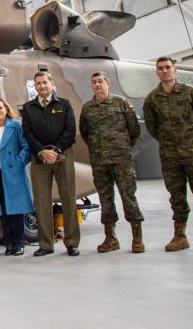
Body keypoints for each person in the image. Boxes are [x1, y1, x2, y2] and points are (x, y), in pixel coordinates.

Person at [142, 56, 193, 252]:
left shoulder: (190, 93)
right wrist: (169, 141)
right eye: (160, 68)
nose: (164, 71)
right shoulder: (152, 99)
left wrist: (191, 139)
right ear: (157, 72)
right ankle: (180, 236)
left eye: (167, 67)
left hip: (192, 151)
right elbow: (152, 126)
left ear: (175, 70)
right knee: (176, 197)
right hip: (169, 154)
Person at [79, 72, 145, 254]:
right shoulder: (87, 108)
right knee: (106, 201)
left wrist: (123, 147)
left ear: (108, 83)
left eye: (100, 81)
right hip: (99, 162)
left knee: (129, 198)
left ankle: (137, 238)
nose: (97, 85)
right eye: (94, 82)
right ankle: (111, 238)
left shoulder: (120, 102)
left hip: (121, 160)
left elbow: (134, 129)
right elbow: (85, 133)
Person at [22, 71, 80, 257]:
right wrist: (42, 151)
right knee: (41, 202)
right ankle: (46, 244)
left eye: (44, 82)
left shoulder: (64, 104)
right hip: (40, 158)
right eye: (38, 83)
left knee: (68, 199)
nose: (42, 86)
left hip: (62, 156)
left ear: (51, 84)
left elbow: (70, 130)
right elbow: (28, 133)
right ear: (35, 86)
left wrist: (55, 150)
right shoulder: (28, 108)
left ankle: (72, 242)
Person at [0, 97, 33, 256]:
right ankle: (8, 243)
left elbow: (26, 147)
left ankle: (19, 243)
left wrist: (19, 162)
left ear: (6, 109)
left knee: (16, 210)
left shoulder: (16, 125)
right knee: (3, 210)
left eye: (0, 108)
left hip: (13, 172)